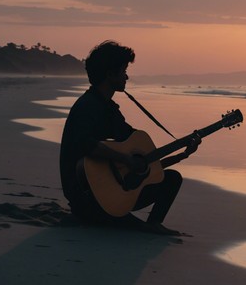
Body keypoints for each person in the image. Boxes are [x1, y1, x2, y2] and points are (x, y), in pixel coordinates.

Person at [59, 40, 200, 235]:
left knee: (171, 179)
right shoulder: (87, 106)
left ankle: (153, 224)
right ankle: (139, 225)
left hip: (109, 192)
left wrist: (183, 154)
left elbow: (144, 162)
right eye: (124, 70)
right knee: (133, 228)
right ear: (110, 74)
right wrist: (125, 159)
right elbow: (86, 145)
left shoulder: (110, 110)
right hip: (86, 198)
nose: (126, 76)